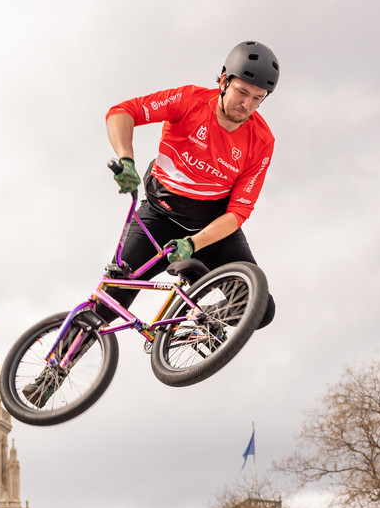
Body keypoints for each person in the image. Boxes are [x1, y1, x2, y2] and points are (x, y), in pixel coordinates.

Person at [23, 41, 280, 407]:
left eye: (258, 98)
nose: (247, 105)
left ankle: (194, 325)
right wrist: (126, 159)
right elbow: (122, 112)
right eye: (242, 92)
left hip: (211, 229)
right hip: (159, 218)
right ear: (224, 80)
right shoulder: (189, 101)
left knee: (261, 309)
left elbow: (239, 211)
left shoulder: (261, 140)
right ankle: (53, 373)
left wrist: (194, 243)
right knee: (111, 301)